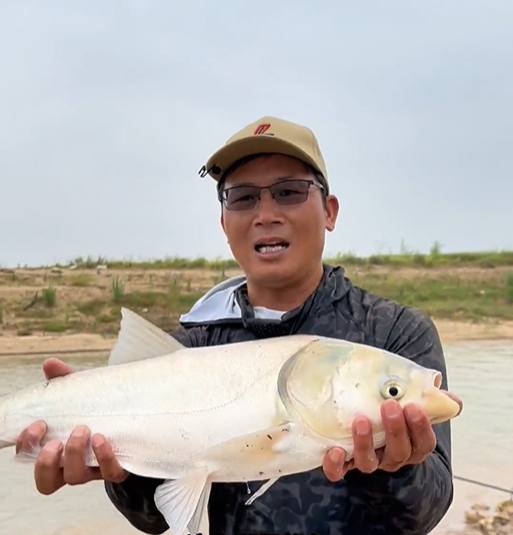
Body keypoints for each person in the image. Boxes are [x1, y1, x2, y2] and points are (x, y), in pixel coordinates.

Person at [16, 116, 463, 535]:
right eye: (244, 197)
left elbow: (427, 512)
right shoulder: (191, 343)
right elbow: (156, 518)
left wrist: (396, 467)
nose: (265, 213)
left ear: (329, 210)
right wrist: (117, 472)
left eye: (289, 191)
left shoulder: (395, 334)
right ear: (224, 222)